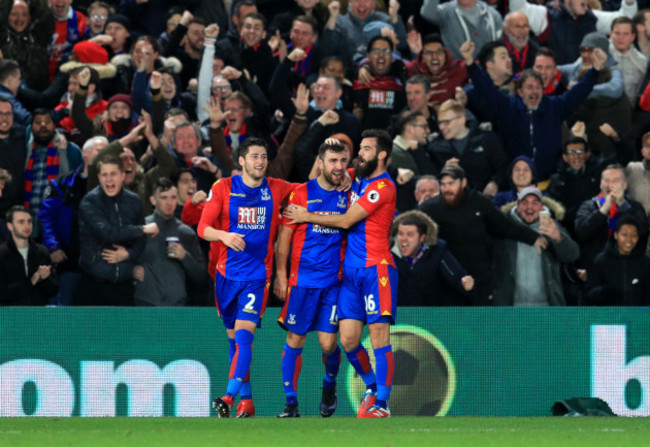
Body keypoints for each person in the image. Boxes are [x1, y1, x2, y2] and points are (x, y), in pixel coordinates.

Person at [284, 129, 397, 418]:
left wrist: (305, 215)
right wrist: (341, 172)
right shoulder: (356, 179)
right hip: (350, 274)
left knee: (379, 334)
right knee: (347, 340)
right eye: (360, 148)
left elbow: (347, 220)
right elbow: (318, 177)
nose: (360, 154)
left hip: (376, 269)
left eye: (367, 149)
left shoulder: (383, 187)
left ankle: (382, 403)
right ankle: (371, 386)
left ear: (382, 155)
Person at [198, 137, 294, 418]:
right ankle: (247, 401)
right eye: (254, 156)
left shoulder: (275, 188)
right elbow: (203, 227)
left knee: (243, 338)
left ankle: (228, 396)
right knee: (233, 342)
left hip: (256, 276)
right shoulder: (224, 188)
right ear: (241, 161)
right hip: (226, 276)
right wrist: (224, 236)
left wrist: (344, 175)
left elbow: (310, 189)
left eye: (264, 157)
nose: (260, 162)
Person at [273, 140, 349, 418]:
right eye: (332, 161)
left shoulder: (349, 193)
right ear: (320, 162)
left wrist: (351, 175)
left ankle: (329, 385)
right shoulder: (300, 193)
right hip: (302, 282)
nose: (338, 167)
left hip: (334, 282)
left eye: (343, 161)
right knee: (296, 339)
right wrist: (281, 276)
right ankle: (291, 403)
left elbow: (368, 171)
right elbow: (285, 238)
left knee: (329, 344)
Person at [419, 164, 547, 305]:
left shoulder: (479, 202)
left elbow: (504, 226)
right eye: (443, 184)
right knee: (452, 324)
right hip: (447, 279)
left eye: (451, 183)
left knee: (481, 323)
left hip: (480, 278)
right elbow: (413, 227)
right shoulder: (430, 208)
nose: (446, 189)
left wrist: (533, 237)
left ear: (463, 182)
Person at [74, 155, 159, 306]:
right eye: (104, 174)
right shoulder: (89, 202)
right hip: (93, 284)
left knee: (122, 330)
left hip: (123, 285)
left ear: (122, 176)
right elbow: (108, 233)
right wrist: (142, 229)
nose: (108, 179)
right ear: (99, 177)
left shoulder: (134, 201)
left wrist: (128, 254)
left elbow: (141, 241)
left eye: (113, 174)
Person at [492, 186, 580, 306]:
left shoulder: (551, 226)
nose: (529, 207)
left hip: (546, 307)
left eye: (535, 203)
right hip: (511, 307)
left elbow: (572, 255)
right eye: (524, 202)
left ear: (542, 207)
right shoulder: (505, 228)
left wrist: (558, 238)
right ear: (517, 206)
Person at [133, 177, 205, 307]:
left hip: (177, 305)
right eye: (164, 197)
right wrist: (131, 270)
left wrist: (185, 257)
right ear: (153, 200)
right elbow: (124, 258)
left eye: (173, 197)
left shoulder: (186, 233)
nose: (169, 202)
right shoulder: (141, 229)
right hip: (145, 303)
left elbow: (200, 275)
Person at [391, 210, 474, 306]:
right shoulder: (387, 253)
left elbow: (457, 277)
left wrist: (466, 285)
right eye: (401, 234)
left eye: (410, 235)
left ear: (422, 238)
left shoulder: (437, 251)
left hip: (431, 315)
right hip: (397, 315)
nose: (404, 239)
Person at [574, 163, 648, 269]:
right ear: (600, 184)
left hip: (629, 267)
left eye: (616, 181)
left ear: (625, 185)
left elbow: (643, 232)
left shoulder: (635, 207)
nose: (610, 185)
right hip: (597, 267)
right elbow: (581, 233)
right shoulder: (588, 206)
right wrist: (603, 210)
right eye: (606, 180)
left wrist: (623, 205)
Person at [585, 215, 650, 306]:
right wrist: (605, 291)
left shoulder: (645, 263)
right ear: (616, 235)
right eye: (624, 234)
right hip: (608, 317)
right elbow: (589, 294)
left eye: (634, 235)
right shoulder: (601, 261)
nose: (629, 240)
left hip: (637, 317)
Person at [0, 205, 58, 305]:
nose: (27, 226)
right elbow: (3, 293)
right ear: (10, 226)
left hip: (38, 313)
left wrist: (44, 279)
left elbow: (54, 290)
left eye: (29, 221)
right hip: (11, 315)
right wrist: (32, 281)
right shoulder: (2, 253)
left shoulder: (41, 251)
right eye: (21, 222)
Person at [420, 0, 503, 60]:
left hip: (490, 72)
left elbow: (502, 46)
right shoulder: (446, 11)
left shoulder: (493, 15)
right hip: (459, 74)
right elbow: (427, 13)